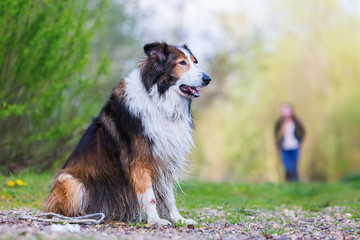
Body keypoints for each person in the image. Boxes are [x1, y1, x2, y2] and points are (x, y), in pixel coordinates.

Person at [274, 103, 305, 181]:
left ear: (291, 111)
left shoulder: (296, 121)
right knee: (287, 167)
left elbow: (303, 132)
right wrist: (278, 144)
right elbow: (276, 134)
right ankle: (288, 183)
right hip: (284, 147)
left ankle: (296, 184)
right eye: (284, 111)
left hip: (294, 146)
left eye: (287, 110)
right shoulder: (280, 122)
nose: (286, 113)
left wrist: (300, 142)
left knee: (294, 167)